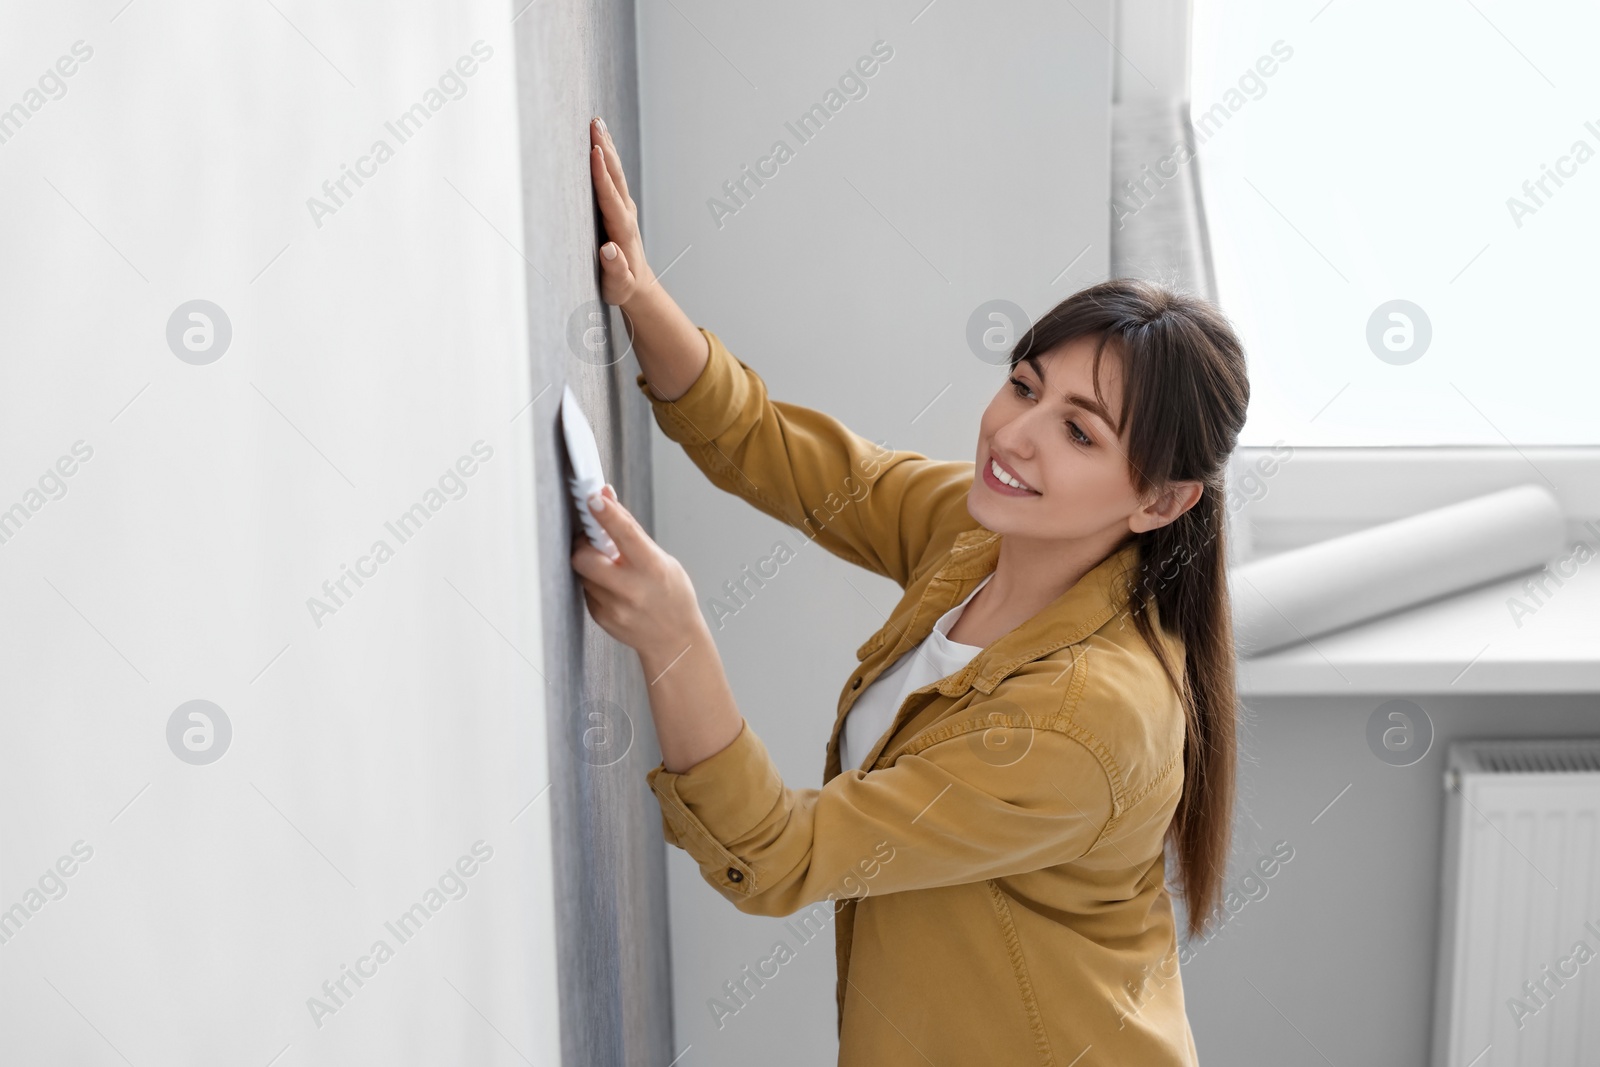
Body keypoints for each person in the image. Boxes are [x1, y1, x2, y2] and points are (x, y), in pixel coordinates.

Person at [570, 115, 1250, 1066]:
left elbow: (780, 856)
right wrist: (640, 296)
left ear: (1161, 499)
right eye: (1024, 384)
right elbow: (788, 456)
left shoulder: (1088, 722)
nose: (1015, 435)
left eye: (1080, 432)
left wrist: (676, 637)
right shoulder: (987, 532)